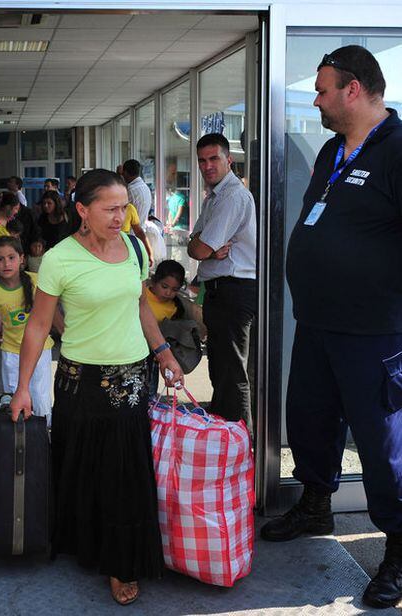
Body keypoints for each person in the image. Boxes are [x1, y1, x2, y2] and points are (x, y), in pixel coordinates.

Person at [259, 45, 402, 610]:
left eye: (322, 90)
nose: (315, 99)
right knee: (311, 420)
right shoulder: (329, 149)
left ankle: (397, 549)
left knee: (380, 442)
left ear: (353, 89)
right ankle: (316, 503)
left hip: (375, 332)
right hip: (317, 322)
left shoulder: (397, 151)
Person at [9, 168, 183, 607]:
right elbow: (40, 325)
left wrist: (163, 352)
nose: (119, 216)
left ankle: (121, 561)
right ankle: (88, 546)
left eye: (124, 207)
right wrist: (23, 387)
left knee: (123, 477)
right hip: (78, 383)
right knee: (85, 471)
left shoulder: (133, 246)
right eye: (110, 208)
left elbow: (140, 304)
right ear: (83, 211)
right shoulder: (61, 258)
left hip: (129, 382)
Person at [187, 133, 256, 433]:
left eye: (214, 159)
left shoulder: (231, 196)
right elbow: (194, 245)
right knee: (221, 371)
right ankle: (227, 441)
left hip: (235, 291)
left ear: (229, 160)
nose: (207, 166)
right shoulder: (214, 196)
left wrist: (204, 248)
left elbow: (200, 249)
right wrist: (203, 247)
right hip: (220, 292)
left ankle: (239, 447)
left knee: (231, 375)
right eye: (202, 160)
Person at [0, 237, 54, 425]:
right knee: (15, 398)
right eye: (0, 259)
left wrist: (65, 329)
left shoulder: (37, 280)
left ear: (22, 259)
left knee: (41, 398)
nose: (6, 263)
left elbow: (53, 310)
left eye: (11, 257)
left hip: (41, 349)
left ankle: (43, 438)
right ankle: (21, 442)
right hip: (12, 353)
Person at [144, 260, 186, 398]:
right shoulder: (141, 296)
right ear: (154, 280)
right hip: (134, 352)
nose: (168, 293)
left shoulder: (174, 308)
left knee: (150, 390)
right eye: (164, 286)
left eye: (174, 290)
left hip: (156, 357)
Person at [0, 191, 21, 344]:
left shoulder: (12, 220)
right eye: (15, 208)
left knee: (9, 296)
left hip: (8, 265)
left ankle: (4, 329)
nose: (16, 211)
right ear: (7, 207)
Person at [120, 202, 154, 267]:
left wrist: (149, 252)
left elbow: (139, 232)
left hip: (125, 252)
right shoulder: (100, 208)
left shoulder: (129, 208)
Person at [122, 159, 152, 227]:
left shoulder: (130, 190)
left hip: (130, 232)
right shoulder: (145, 187)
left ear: (125, 173)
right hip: (141, 229)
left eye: (123, 173)